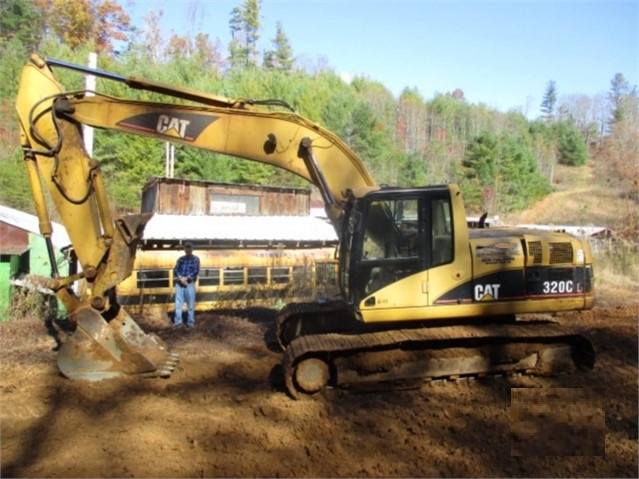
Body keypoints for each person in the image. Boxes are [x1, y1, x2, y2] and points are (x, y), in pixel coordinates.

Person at [173, 241, 200, 328]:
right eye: (186, 247)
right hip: (179, 284)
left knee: (190, 305)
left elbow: (196, 271)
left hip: (190, 284)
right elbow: (175, 270)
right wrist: (181, 278)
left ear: (192, 249)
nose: (188, 249)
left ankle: (190, 323)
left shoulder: (195, 259)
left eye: (189, 247)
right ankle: (178, 323)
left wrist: (186, 278)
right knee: (178, 304)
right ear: (184, 249)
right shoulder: (180, 259)